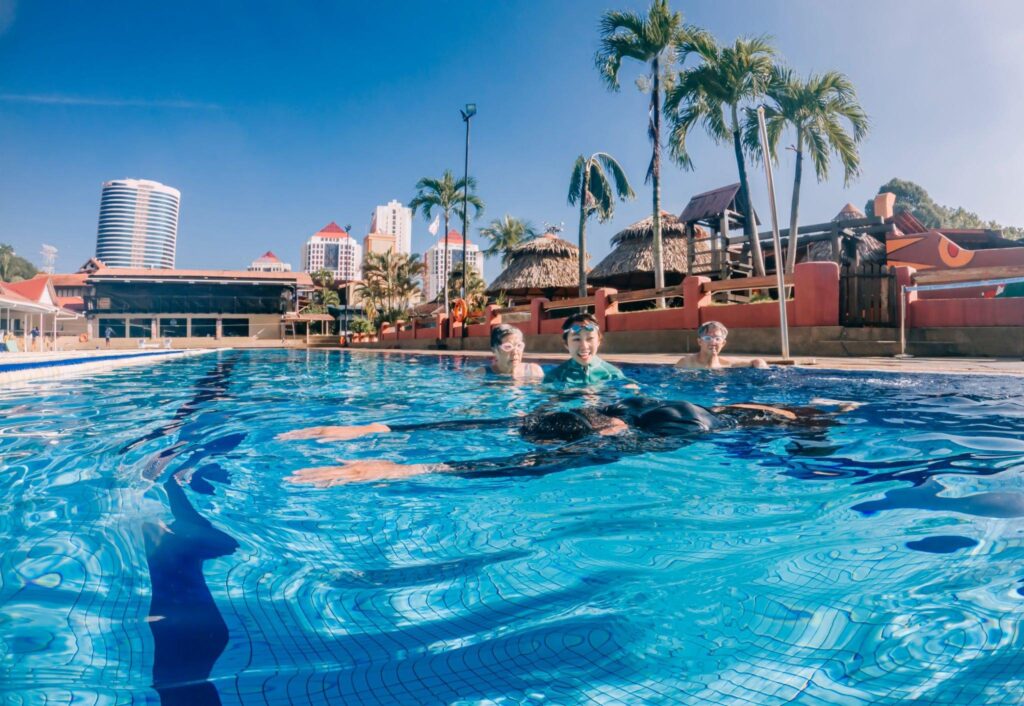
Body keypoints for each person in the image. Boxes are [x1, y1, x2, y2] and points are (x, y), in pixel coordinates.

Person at [281, 397, 848, 486]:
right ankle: (395, 453)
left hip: (637, 415)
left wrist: (402, 456)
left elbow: (543, 452)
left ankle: (387, 445)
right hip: (661, 422)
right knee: (550, 446)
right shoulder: (693, 427)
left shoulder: (707, 420)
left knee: (532, 434)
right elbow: (543, 455)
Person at [543, 313, 628, 386]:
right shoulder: (554, 377)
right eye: (577, 339)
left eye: (590, 338)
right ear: (566, 344)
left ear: (598, 341)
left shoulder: (613, 374)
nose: (584, 346)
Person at [675, 321, 768, 370]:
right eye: (707, 338)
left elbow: (756, 361)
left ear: (723, 343)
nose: (713, 342)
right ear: (700, 342)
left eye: (717, 339)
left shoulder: (726, 364)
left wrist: (762, 369)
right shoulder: (686, 363)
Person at [474, 324, 544, 380]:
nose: (515, 352)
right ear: (494, 350)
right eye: (508, 347)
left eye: (519, 346)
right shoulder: (482, 374)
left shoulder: (534, 371)